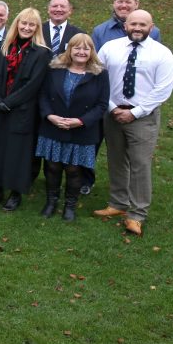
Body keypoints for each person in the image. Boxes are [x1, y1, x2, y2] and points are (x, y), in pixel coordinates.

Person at [95, 10, 173, 236]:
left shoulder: (162, 54)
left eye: (142, 24)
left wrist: (136, 112)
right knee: (116, 158)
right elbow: (99, 78)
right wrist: (112, 108)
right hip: (112, 113)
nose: (137, 28)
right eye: (133, 24)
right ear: (125, 26)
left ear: (151, 27)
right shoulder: (110, 49)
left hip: (143, 117)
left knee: (140, 164)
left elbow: (163, 89)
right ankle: (118, 204)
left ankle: (137, 214)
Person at [0, 8, 52, 211]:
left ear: (36, 28)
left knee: (17, 154)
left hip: (22, 111)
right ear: (17, 24)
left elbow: (33, 85)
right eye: (23, 23)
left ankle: (15, 193)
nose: (26, 28)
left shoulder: (41, 53)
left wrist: (9, 102)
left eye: (31, 25)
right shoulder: (6, 46)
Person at [34, 34, 108, 220]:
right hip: (53, 126)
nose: (81, 52)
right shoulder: (55, 69)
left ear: (91, 51)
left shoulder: (99, 73)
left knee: (74, 169)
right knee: (52, 167)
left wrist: (81, 121)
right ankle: (51, 202)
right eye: (77, 48)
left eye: (86, 48)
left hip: (81, 130)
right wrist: (49, 116)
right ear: (70, 49)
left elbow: (102, 104)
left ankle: (70, 206)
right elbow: (42, 95)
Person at [92, 0, 161, 51]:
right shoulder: (100, 32)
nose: (124, 5)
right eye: (120, 1)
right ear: (114, 3)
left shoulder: (153, 32)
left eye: (128, 2)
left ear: (136, 4)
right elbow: (95, 62)